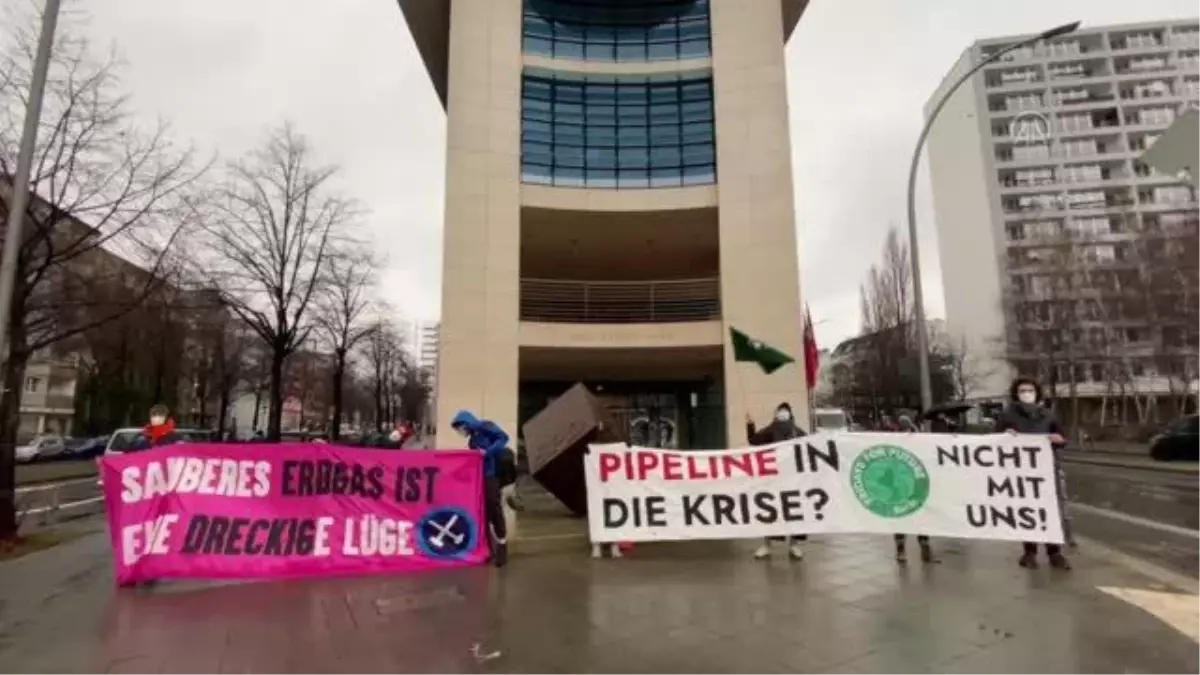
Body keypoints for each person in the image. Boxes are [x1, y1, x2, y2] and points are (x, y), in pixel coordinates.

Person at [996, 377, 1072, 570]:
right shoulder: (1007, 416)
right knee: (1027, 511)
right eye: (1022, 390)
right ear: (1016, 393)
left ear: (1037, 393)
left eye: (1030, 390)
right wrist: (1006, 437)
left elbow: (1063, 438)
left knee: (1051, 510)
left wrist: (1059, 440)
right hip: (1021, 472)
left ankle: (1054, 552)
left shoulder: (1048, 415)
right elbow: (994, 440)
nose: (1027, 393)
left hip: (1047, 470)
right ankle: (1029, 552)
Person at [746, 402, 808, 561]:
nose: (782, 413)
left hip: (793, 479)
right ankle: (767, 545)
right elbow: (754, 440)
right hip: (774, 479)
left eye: (785, 411)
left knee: (794, 511)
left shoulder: (798, 432)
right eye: (780, 411)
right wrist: (750, 424)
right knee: (772, 511)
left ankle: (794, 545)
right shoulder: (771, 430)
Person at [450, 410, 511, 568]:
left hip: (491, 475)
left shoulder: (485, 426)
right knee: (483, 512)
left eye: (460, 427)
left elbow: (503, 437)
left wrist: (487, 452)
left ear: (467, 422)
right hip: (479, 477)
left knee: (494, 507)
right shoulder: (472, 440)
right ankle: (488, 550)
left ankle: (502, 546)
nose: (460, 431)